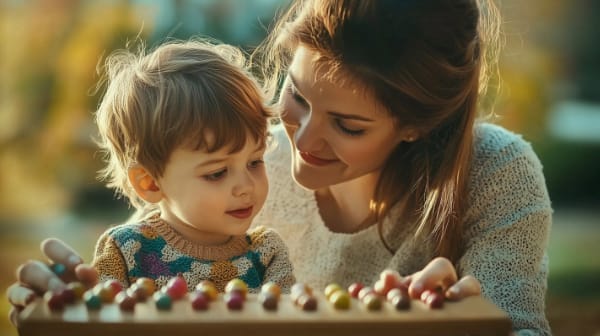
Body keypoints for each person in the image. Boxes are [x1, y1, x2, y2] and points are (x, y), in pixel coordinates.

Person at [8, 0, 552, 335]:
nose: (300, 140)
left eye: (349, 125)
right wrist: (64, 313)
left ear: (414, 126)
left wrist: (450, 327)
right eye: (296, 95)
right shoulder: (235, 161)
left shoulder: (495, 174)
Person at [18, 39, 297, 299]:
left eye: (255, 162)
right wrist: (75, 301)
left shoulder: (265, 254)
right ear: (150, 183)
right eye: (217, 173)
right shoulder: (128, 251)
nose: (246, 185)